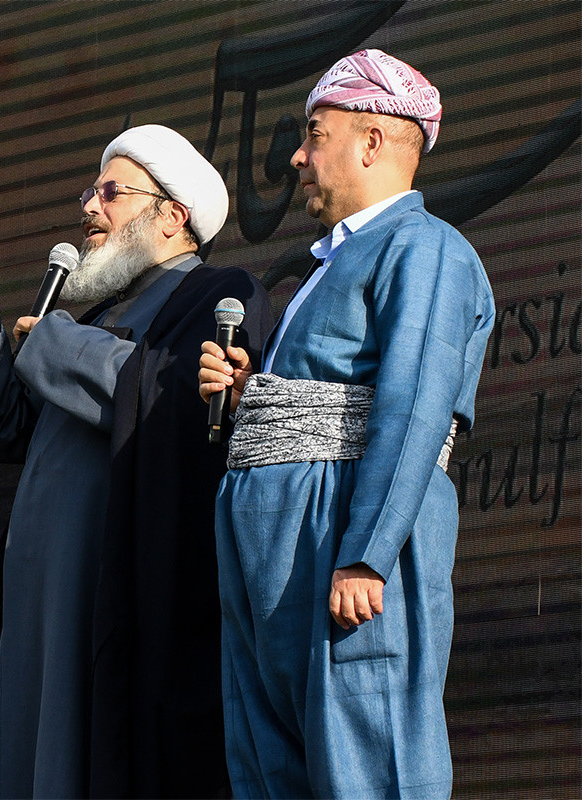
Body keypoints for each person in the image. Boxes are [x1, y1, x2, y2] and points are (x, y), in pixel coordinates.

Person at [0, 125, 272, 798]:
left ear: (173, 216)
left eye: (110, 193)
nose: (89, 209)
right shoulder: (96, 313)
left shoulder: (218, 292)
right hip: (40, 593)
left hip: (112, 583)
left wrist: (56, 346)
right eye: (89, 193)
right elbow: (9, 429)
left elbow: (177, 394)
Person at [199, 49, 496, 798]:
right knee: (272, 772)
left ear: (371, 140)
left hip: (344, 542)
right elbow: (326, 389)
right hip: (276, 555)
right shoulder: (331, 263)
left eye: (314, 134)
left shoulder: (424, 248)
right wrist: (253, 397)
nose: (297, 157)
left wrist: (367, 552)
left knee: (368, 762)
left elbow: (415, 400)